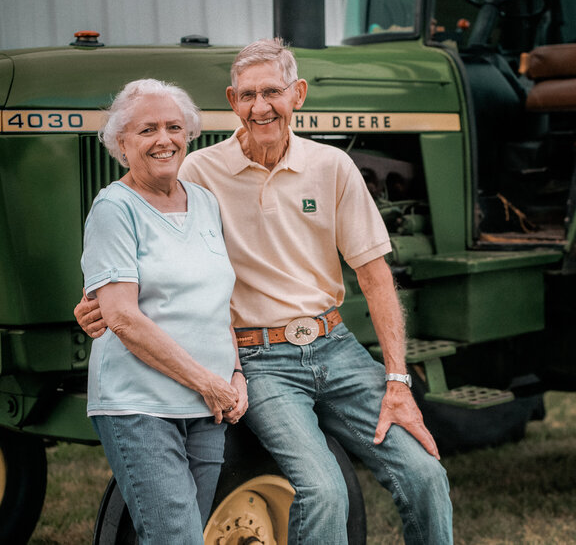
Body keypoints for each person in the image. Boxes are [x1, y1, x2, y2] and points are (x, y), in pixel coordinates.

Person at [77, 38, 453, 544]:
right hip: (258, 357)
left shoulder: (333, 167)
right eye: (248, 95)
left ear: (297, 94)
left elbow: (375, 275)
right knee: (325, 491)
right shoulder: (194, 170)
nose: (260, 107)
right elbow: (135, 231)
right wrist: (93, 304)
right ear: (232, 101)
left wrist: (398, 380)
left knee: (426, 473)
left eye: (272, 92)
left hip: (335, 346)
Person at [80, 79, 248, 544]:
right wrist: (208, 382)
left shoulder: (206, 203)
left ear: (189, 135)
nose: (163, 139)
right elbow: (122, 317)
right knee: (176, 537)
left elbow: (218, 302)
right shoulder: (115, 208)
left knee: (183, 534)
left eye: (174, 127)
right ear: (121, 143)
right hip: (141, 405)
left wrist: (234, 374)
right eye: (147, 129)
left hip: (210, 407)